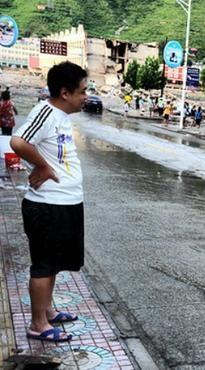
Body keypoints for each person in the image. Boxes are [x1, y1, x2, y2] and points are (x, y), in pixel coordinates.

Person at [10, 61, 88, 342]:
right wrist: (43, 168)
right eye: (82, 91)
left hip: (65, 203)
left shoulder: (60, 116)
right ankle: (38, 324)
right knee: (43, 264)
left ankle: (48, 311)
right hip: (47, 206)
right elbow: (18, 142)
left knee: (54, 263)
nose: (86, 96)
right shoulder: (45, 112)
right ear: (65, 93)